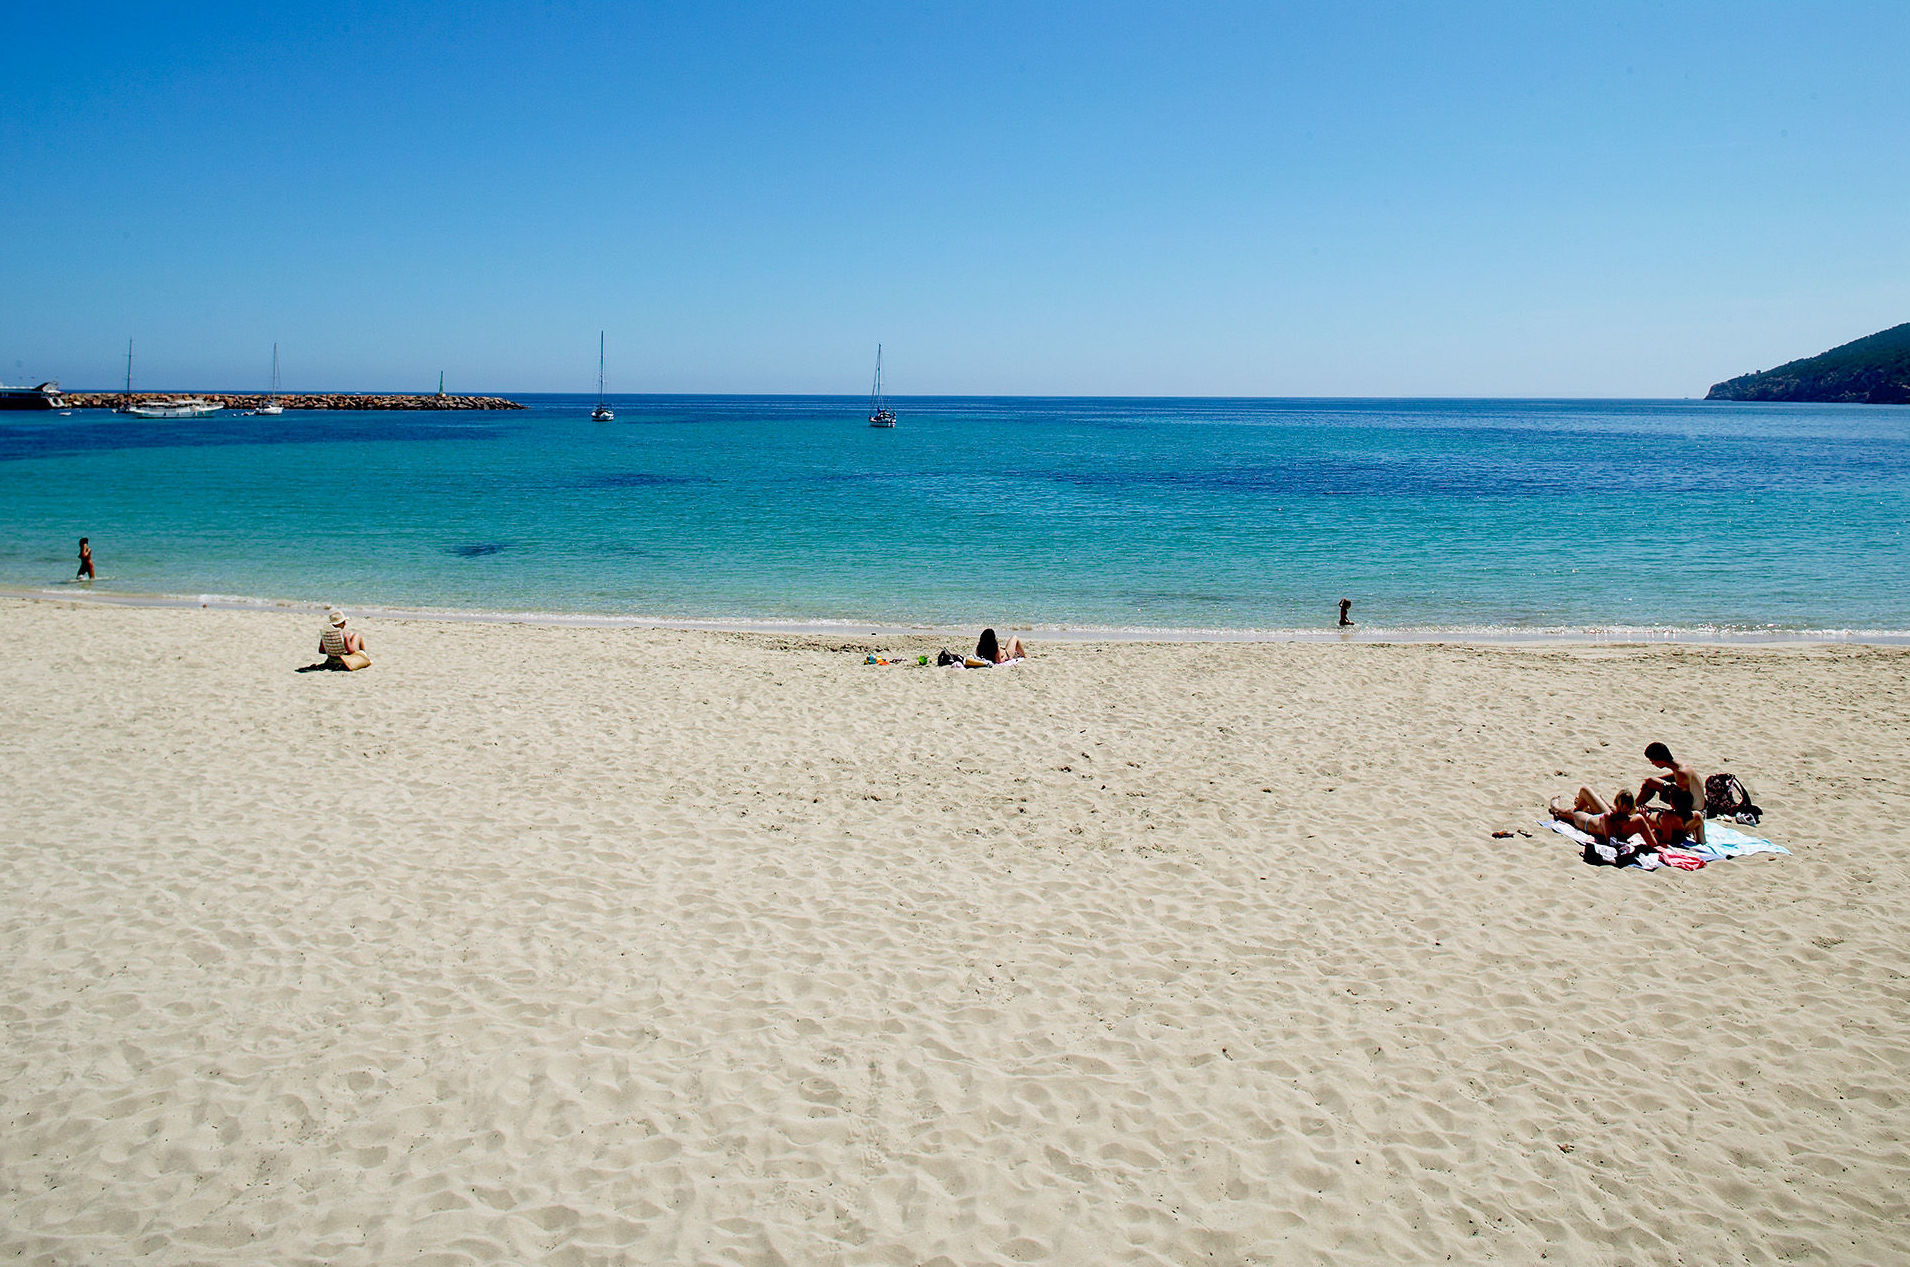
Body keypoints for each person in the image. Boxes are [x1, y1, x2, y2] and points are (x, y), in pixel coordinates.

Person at [1550, 786, 1660, 858]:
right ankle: (1583, 807)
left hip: (1590, 823)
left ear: (1616, 803)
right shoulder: (1638, 820)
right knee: (1585, 792)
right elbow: (1653, 843)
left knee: (1573, 811)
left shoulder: (1609, 818)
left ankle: (1556, 807)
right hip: (1606, 818)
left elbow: (1611, 842)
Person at [1637, 742, 1703, 811]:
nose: (1653, 764)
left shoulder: (1681, 773)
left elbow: (1685, 800)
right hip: (1698, 804)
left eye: (1652, 761)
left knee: (1650, 782)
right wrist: (1657, 780)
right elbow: (1674, 777)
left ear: (1660, 760)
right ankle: (1636, 806)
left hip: (1693, 808)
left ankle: (1633, 808)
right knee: (1651, 782)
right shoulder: (1680, 766)